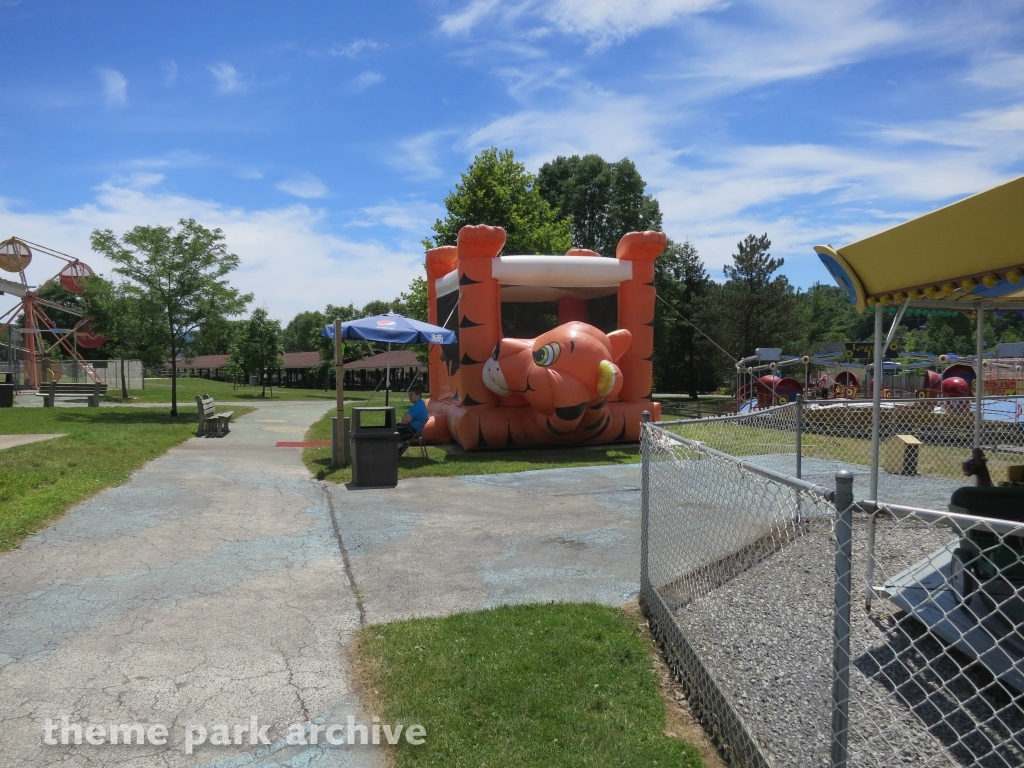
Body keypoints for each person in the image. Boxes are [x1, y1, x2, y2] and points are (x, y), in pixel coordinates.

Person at [396, 384, 428, 454]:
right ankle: (398, 447)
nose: (409, 397)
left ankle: (395, 448)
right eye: (409, 395)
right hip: (414, 430)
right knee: (393, 427)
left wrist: (405, 416)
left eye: (411, 394)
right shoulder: (420, 404)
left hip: (412, 432)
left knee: (391, 431)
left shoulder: (417, 407)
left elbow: (404, 421)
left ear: (418, 395)